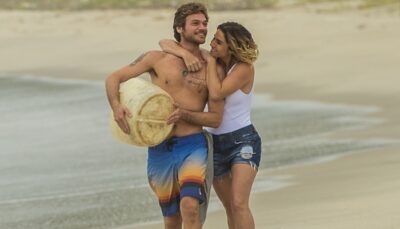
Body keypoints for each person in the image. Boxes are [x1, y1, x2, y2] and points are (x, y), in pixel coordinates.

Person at [105, 3, 224, 229]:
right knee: (171, 219)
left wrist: (185, 115)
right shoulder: (156, 59)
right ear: (180, 28)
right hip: (160, 146)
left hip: (193, 144)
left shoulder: (212, 67)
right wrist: (116, 106)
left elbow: (216, 119)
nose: (203, 28)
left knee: (190, 206)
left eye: (205, 23)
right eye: (196, 23)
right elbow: (114, 78)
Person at [159, 21, 262, 229]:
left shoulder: (243, 68)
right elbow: (165, 43)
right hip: (213, 144)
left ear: (230, 47)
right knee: (229, 207)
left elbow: (216, 92)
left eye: (218, 41)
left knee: (239, 203)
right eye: (213, 38)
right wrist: (188, 55)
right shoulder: (215, 61)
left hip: (243, 141)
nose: (212, 43)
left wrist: (211, 61)